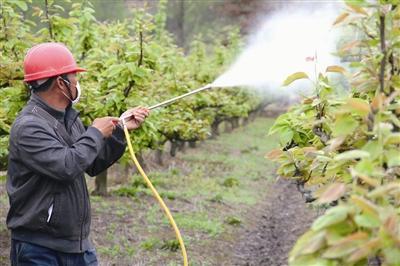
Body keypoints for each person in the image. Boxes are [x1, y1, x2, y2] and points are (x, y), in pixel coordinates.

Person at [6, 42, 149, 265]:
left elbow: (90, 164)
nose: (77, 82)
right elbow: (66, 166)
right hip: (40, 248)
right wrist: (94, 133)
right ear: (59, 82)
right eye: (74, 77)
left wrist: (119, 130)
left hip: (76, 245)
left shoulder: (68, 117)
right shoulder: (29, 127)